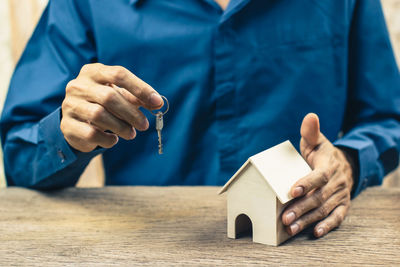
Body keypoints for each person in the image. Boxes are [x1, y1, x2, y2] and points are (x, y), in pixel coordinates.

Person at [1, 0, 399, 239]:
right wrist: (67, 132)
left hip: (302, 243)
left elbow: (388, 119)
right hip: (142, 247)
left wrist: (349, 161)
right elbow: (20, 159)